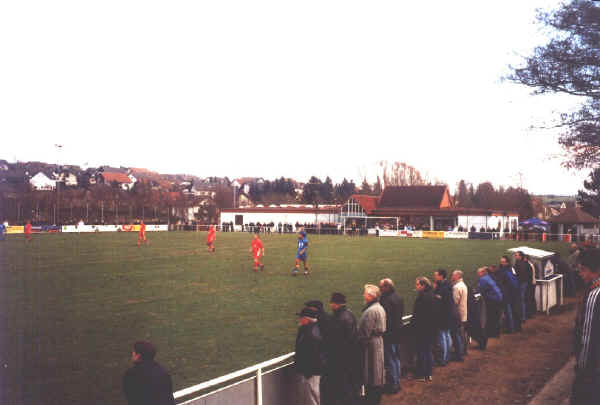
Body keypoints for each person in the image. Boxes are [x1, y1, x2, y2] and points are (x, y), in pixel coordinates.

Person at [571, 248, 600, 405]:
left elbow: (587, 337)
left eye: (582, 270)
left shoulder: (594, 295)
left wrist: (582, 369)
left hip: (592, 369)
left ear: (594, 270)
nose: (580, 274)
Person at [328, 293, 360, 405]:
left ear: (335, 304)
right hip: (350, 356)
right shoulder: (349, 314)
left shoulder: (339, 318)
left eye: (331, 302)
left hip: (342, 358)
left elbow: (339, 340)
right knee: (351, 385)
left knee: (344, 387)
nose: (330, 305)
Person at [122, 341, 175, 405]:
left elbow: (131, 399)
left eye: (133, 352)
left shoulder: (130, 374)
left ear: (138, 355)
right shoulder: (163, 371)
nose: (132, 354)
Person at [358, 284, 386, 405]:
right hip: (378, 342)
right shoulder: (379, 307)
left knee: (371, 371)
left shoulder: (370, 311)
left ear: (370, 296)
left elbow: (365, 333)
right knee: (377, 370)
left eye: (365, 293)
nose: (363, 295)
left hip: (371, 345)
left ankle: (372, 399)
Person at [294, 306, 325, 405]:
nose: (299, 319)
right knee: (312, 397)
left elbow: (313, 354)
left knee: (312, 398)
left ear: (306, 319)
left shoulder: (311, 333)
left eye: (301, 318)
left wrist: (307, 372)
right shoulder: (311, 329)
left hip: (310, 373)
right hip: (311, 371)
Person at [378, 278, 404, 394]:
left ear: (386, 287)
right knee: (396, 358)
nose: (380, 289)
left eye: (381, 287)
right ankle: (397, 382)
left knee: (391, 359)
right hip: (398, 331)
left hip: (389, 333)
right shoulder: (398, 297)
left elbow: (385, 318)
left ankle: (393, 384)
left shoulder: (385, 300)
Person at [411, 277, 437, 382]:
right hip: (430, 328)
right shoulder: (432, 295)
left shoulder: (422, 297)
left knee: (422, 351)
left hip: (422, 329)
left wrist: (414, 325)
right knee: (427, 351)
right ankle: (429, 373)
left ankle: (422, 374)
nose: (416, 287)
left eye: (417, 285)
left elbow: (418, 315)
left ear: (423, 285)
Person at [433, 269, 459, 366]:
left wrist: (434, 290)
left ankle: (443, 359)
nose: (435, 277)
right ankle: (447, 357)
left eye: (436, 275)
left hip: (443, 315)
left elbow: (438, 299)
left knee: (443, 336)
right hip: (449, 314)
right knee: (447, 335)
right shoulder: (448, 285)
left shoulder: (443, 287)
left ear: (441, 276)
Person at [496, 256, 522, 333]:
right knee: (514, 310)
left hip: (507, 294)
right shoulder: (511, 269)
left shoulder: (503, 271)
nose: (501, 263)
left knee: (508, 312)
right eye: (501, 261)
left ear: (507, 262)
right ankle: (517, 327)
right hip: (514, 293)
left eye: (503, 262)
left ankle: (510, 329)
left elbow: (500, 282)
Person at [477, 267, 504, 338]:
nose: (478, 274)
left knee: (491, 316)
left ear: (483, 273)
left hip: (493, 299)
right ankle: (496, 333)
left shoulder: (483, 279)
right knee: (496, 316)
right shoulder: (488, 277)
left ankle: (491, 333)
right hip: (499, 298)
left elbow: (480, 290)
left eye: (479, 273)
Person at [451, 270, 468, 359]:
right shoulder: (463, 285)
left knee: (456, 334)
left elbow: (454, 302)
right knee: (461, 333)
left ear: (457, 276)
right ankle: (463, 351)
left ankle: (459, 353)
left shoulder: (457, 287)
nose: (452, 276)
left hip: (458, 314)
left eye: (453, 275)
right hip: (463, 313)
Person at [514, 251, 532, 322]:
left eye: (516, 255)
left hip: (521, 284)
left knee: (521, 300)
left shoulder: (520, 264)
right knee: (522, 300)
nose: (515, 256)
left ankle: (522, 317)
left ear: (520, 256)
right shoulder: (524, 263)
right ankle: (523, 316)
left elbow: (519, 274)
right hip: (524, 283)